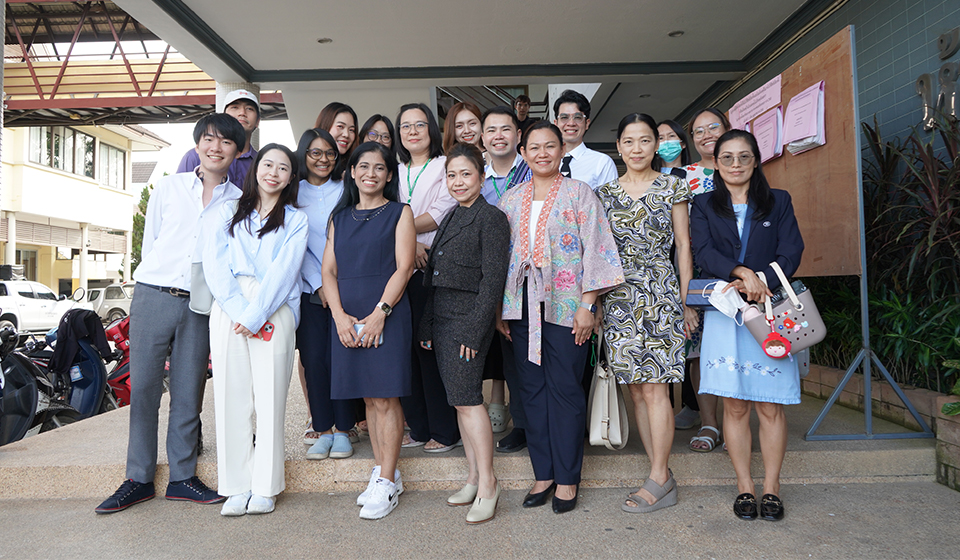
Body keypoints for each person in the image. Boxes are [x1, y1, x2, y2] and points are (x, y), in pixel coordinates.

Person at [95, 113, 246, 514]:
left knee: (188, 391)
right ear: (197, 145)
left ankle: (182, 477)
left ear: (237, 151)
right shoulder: (169, 187)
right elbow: (152, 243)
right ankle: (138, 478)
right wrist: (156, 282)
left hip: (200, 305)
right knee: (143, 386)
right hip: (154, 295)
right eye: (209, 139)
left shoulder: (238, 201)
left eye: (226, 142)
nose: (216, 148)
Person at [499, 121, 624, 514]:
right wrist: (502, 308)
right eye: (534, 147)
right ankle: (544, 474)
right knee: (531, 391)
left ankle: (568, 478)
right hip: (521, 307)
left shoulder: (579, 193)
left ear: (561, 150)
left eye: (550, 146)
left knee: (566, 389)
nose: (542, 153)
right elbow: (501, 255)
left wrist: (588, 305)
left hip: (567, 306)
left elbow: (597, 248)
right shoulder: (510, 199)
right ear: (523, 153)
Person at [690, 129, 804, 522]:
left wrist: (762, 280)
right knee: (735, 405)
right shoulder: (703, 204)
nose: (735, 164)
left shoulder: (778, 201)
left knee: (770, 405)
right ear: (716, 162)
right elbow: (704, 252)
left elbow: (792, 251)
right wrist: (742, 274)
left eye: (744, 156)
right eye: (727, 157)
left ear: (756, 161)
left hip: (770, 313)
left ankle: (771, 487)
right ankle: (745, 487)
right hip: (726, 313)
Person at [595, 114, 696, 514]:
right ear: (618, 147)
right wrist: (596, 303)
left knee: (656, 387)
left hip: (660, 293)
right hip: (619, 298)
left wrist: (687, 302)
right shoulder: (603, 194)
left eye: (644, 140)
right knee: (635, 388)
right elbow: (600, 254)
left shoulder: (673, 186)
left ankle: (657, 476)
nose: (636, 148)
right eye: (628, 141)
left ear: (656, 144)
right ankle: (661, 474)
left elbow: (683, 246)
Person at [202, 144, 308, 516]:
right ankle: (236, 485)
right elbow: (214, 264)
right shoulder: (228, 211)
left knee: (270, 397)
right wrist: (239, 311)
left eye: (283, 168)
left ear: (291, 177)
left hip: (274, 307)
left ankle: (265, 485)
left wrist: (256, 313)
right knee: (230, 396)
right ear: (255, 169)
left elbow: (285, 270)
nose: (273, 173)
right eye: (268, 165)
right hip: (229, 306)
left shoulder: (296, 219)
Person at [323, 142, 417, 520]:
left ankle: (388, 479)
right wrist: (339, 317)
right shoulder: (339, 217)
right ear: (352, 172)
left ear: (389, 174)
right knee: (368, 397)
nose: (371, 174)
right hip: (347, 316)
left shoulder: (400, 212)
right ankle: (383, 473)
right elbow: (329, 271)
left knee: (386, 397)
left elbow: (405, 267)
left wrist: (380, 313)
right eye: (363, 166)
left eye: (379, 167)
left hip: (386, 313)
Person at [419, 143, 510, 524]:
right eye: (452, 175)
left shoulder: (491, 218)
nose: (458, 182)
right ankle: (472, 477)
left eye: (466, 174)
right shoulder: (452, 214)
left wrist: (474, 332)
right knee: (459, 401)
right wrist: (427, 323)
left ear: (481, 177)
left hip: (467, 320)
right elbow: (434, 276)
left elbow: (492, 282)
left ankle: (488, 483)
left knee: (470, 401)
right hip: (442, 318)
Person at [395, 103, 461, 453]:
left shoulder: (444, 166)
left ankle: (444, 430)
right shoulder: (394, 169)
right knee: (404, 352)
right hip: (398, 270)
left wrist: (403, 233)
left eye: (419, 124)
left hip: (431, 270)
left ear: (431, 129)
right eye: (405, 126)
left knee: (429, 350)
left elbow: (438, 214)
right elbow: (382, 212)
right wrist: (408, 242)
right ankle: (418, 427)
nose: (413, 131)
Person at [292, 128, 356, 461]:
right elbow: (293, 246)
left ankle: (344, 430)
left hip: (346, 288)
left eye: (330, 153)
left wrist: (335, 285)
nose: (324, 159)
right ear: (303, 154)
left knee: (341, 359)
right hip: (309, 291)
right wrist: (318, 284)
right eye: (315, 153)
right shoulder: (292, 192)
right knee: (314, 359)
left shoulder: (346, 189)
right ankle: (323, 428)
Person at [479, 106, 532, 451]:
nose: (499, 136)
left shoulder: (533, 171)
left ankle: (533, 425)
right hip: (489, 278)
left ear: (518, 135)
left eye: (506, 129)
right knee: (506, 358)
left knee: (528, 357)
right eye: (491, 130)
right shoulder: (475, 178)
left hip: (528, 279)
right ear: (482, 138)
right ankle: (519, 423)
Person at [684, 108, 732, 453]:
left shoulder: (742, 169)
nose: (706, 135)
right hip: (698, 272)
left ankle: (735, 424)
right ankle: (709, 423)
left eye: (713, 127)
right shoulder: (684, 177)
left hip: (738, 273)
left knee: (736, 347)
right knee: (699, 351)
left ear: (728, 128)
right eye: (698, 131)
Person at [177, 89, 260, 186]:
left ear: (258, 121)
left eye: (249, 108)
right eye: (234, 107)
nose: (242, 113)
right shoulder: (194, 157)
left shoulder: (261, 162)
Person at [552, 89, 618, 189]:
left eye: (577, 117)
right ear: (556, 123)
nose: (571, 123)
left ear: (587, 123)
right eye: (564, 117)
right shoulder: (547, 161)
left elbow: (610, 198)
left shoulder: (602, 163)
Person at [314, 102, 359, 180]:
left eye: (351, 130)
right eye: (340, 126)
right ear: (325, 125)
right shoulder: (300, 162)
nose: (346, 134)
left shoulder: (356, 168)